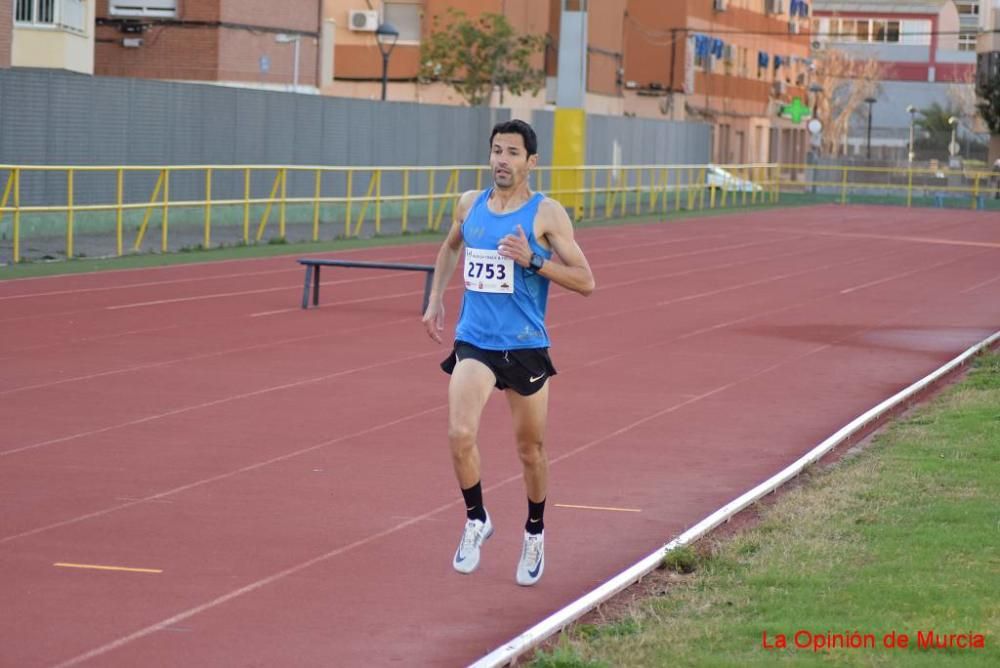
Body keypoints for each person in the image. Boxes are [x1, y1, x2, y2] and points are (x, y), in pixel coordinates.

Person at [421, 119, 595, 586]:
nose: (502, 159)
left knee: (530, 450)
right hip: (474, 341)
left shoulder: (547, 215)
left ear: (531, 162)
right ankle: (476, 519)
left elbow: (586, 281)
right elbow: (448, 249)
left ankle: (535, 531)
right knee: (459, 434)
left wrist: (534, 260)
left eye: (513, 153)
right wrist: (435, 299)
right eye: (496, 150)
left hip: (524, 346)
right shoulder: (469, 203)